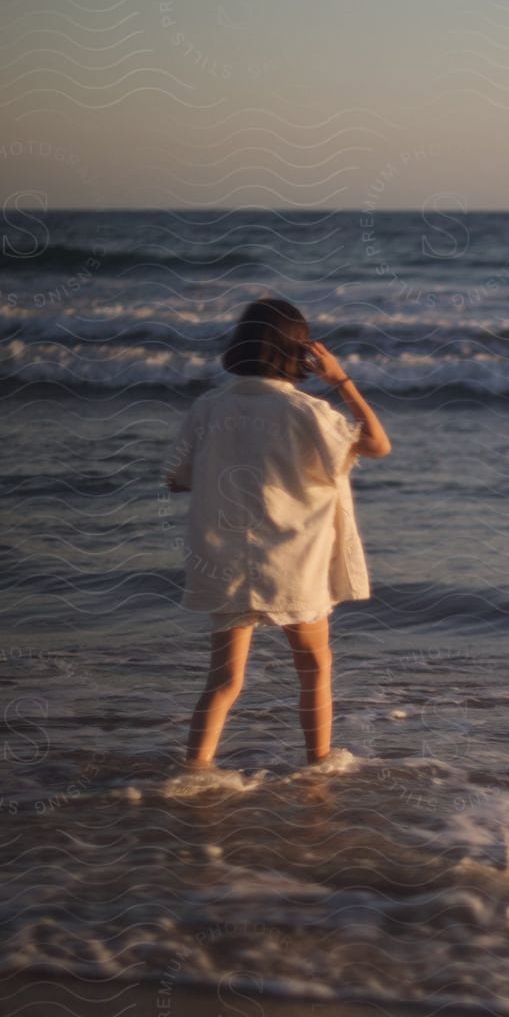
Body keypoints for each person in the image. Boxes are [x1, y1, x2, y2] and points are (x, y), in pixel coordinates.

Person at [163, 296, 391, 769]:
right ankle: (318, 762)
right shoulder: (307, 411)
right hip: (293, 565)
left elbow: (176, 478)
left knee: (225, 680)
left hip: (225, 564)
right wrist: (341, 381)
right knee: (313, 667)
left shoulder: (208, 406)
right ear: (299, 352)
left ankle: (194, 771)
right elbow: (377, 445)